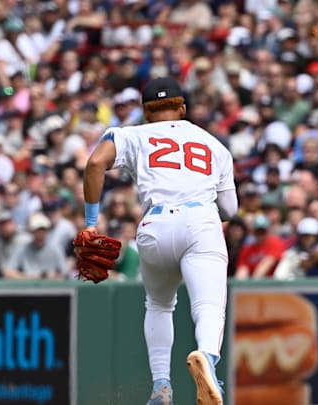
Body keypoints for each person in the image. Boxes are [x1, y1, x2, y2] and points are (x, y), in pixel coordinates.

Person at [82, 77, 237, 405]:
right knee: (208, 306)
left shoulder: (132, 134)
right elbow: (229, 210)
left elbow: (96, 163)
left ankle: (161, 386)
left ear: (145, 111)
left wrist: (92, 225)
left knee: (159, 305)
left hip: (154, 225)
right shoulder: (215, 145)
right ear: (182, 108)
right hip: (200, 220)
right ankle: (207, 356)